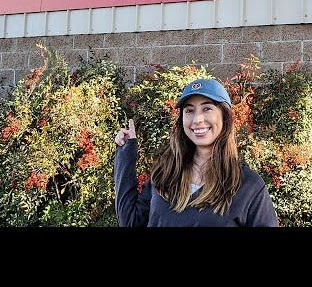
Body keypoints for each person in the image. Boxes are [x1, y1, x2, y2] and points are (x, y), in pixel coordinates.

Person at [114, 78, 278, 227]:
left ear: (225, 117)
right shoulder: (164, 175)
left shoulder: (248, 185)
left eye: (207, 108)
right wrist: (126, 152)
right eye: (189, 110)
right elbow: (130, 221)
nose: (197, 119)